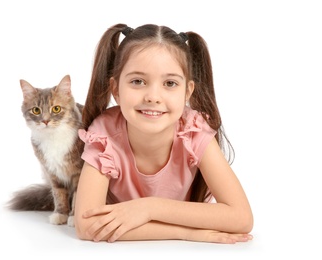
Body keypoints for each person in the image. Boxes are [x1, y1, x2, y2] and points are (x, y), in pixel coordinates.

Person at [74, 23, 253, 243]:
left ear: (187, 91)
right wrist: (184, 232)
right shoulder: (104, 135)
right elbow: (86, 226)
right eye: (137, 81)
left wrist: (149, 208)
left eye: (170, 83)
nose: (153, 96)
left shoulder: (193, 131)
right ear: (115, 89)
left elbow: (241, 218)